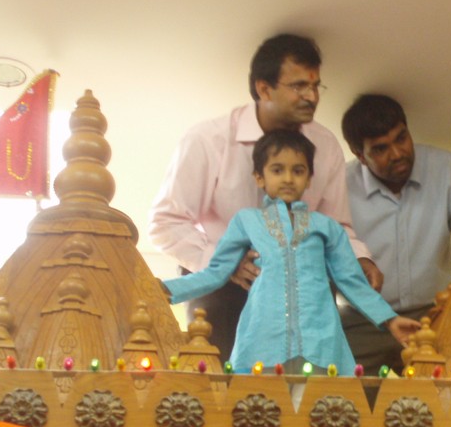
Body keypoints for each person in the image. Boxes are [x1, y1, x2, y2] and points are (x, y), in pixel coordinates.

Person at [148, 34, 382, 363]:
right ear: (263, 89)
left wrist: (360, 259)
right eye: (299, 86)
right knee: (225, 388)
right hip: (223, 290)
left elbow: (336, 225)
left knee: (312, 387)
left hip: (304, 288)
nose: (312, 96)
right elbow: (165, 223)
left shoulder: (326, 145)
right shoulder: (208, 140)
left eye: (316, 86)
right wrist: (224, 263)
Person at [160, 130, 418, 375]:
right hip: (263, 340)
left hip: (320, 341)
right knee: (261, 405)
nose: (287, 178)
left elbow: (351, 281)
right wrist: (166, 290)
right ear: (259, 177)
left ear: (309, 178)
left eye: (298, 171)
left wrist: (389, 320)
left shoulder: (326, 227)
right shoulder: (247, 221)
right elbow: (217, 271)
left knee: (320, 406)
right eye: (277, 170)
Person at [340, 94, 451, 374]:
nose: (397, 154)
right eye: (380, 149)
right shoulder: (339, 186)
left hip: (434, 315)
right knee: (344, 397)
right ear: (360, 155)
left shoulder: (450, 170)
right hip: (361, 319)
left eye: (401, 138)